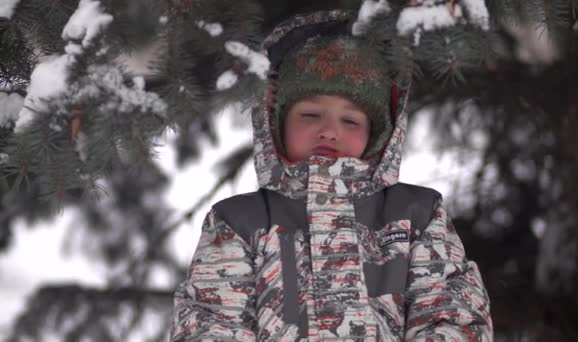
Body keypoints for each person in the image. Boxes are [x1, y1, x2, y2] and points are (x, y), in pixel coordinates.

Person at [171, 9, 493, 341]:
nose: (328, 130)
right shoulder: (239, 222)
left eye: (350, 120)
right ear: (276, 123)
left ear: (379, 133)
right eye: (310, 114)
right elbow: (212, 323)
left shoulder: (417, 214)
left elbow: (451, 313)